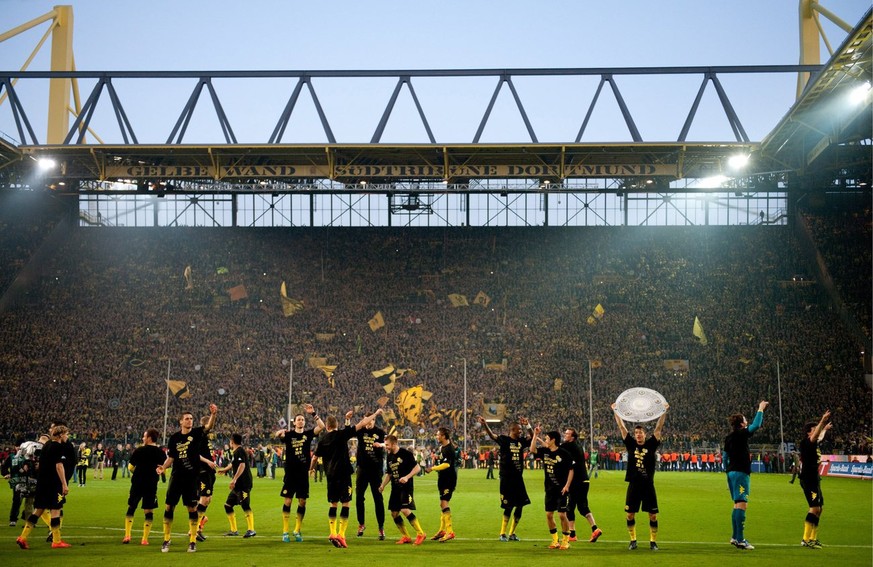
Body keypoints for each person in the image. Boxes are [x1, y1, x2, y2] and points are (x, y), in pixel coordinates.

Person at [313, 408, 383, 548]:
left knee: (333, 504)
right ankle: (341, 534)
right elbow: (362, 423)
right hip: (344, 474)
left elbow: (315, 456)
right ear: (336, 425)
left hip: (331, 476)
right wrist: (375, 414)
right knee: (346, 503)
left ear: (327, 426)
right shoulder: (342, 434)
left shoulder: (323, 439)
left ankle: (332, 532)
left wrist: (310, 469)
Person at [157, 403, 218, 553]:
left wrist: (213, 414)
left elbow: (208, 426)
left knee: (192, 508)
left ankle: (192, 541)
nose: (190, 420)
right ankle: (166, 539)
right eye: (187, 418)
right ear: (181, 421)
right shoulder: (175, 438)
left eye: (191, 418)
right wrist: (163, 467)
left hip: (191, 478)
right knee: (169, 506)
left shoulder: (197, 434)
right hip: (176, 476)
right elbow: (171, 457)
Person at [611, 401, 668, 551]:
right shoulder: (630, 444)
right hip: (634, 485)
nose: (638, 435)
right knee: (630, 514)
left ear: (644, 434)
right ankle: (633, 540)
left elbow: (659, 427)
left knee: (653, 515)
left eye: (640, 432)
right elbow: (622, 427)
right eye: (636, 433)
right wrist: (616, 411)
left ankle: (653, 542)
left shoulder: (651, 444)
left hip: (648, 485)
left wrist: (664, 411)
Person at [15, 424, 72, 550]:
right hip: (54, 484)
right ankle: (56, 541)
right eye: (66, 434)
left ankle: (22, 537)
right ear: (61, 435)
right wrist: (64, 483)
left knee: (38, 510)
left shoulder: (47, 445)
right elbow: (59, 466)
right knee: (56, 509)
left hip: (42, 483)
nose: (67, 436)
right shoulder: (58, 447)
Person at [275, 403, 324, 542]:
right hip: (290, 473)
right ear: (294, 422)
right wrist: (279, 432)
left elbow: (322, 427)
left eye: (302, 419)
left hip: (303, 474)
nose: (301, 421)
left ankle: (297, 530)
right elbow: (278, 434)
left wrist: (313, 413)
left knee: (302, 502)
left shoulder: (308, 434)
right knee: (288, 501)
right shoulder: (289, 434)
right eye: (299, 419)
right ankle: (285, 531)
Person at [478, 415, 532, 541]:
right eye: (519, 429)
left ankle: (512, 533)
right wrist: (485, 424)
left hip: (518, 478)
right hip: (507, 478)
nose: (521, 431)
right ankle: (502, 533)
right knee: (508, 506)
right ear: (512, 430)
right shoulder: (504, 440)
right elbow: (492, 436)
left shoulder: (521, 442)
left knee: (520, 505)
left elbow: (532, 436)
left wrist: (528, 425)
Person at [723, 400, 769, 550]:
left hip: (731, 472)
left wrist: (728, 471)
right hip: (741, 472)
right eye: (745, 420)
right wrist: (760, 409)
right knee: (742, 504)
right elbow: (756, 425)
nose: (747, 421)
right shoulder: (742, 434)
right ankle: (741, 539)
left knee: (737, 504)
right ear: (742, 424)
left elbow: (724, 457)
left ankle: (735, 537)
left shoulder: (728, 438)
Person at [529, 426, 574, 550]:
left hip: (561, 490)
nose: (546, 440)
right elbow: (532, 449)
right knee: (549, 514)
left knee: (561, 515)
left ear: (553, 440)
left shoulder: (564, 453)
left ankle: (566, 540)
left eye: (547, 438)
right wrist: (534, 435)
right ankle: (555, 540)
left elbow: (571, 470)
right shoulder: (545, 452)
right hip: (549, 489)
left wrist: (567, 486)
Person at [379, 435, 426, 545]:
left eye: (387, 445)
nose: (386, 447)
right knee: (394, 513)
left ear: (394, 444)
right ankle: (406, 536)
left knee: (405, 510)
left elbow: (417, 468)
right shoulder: (389, 456)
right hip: (395, 488)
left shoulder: (406, 454)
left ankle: (420, 533)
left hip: (406, 487)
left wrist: (407, 477)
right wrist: (382, 485)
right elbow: (389, 474)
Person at [123, 428, 166, 545]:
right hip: (151, 484)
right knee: (148, 511)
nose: (142, 438)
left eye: (144, 436)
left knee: (131, 507)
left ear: (149, 438)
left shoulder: (139, 450)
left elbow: (130, 468)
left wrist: (138, 473)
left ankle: (127, 535)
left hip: (137, 482)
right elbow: (163, 469)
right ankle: (144, 539)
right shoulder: (160, 453)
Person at [561, 428, 602, 543]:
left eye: (567, 434)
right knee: (580, 507)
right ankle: (591, 529)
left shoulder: (569, 446)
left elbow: (553, 448)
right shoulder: (577, 446)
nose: (565, 435)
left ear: (572, 437)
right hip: (584, 481)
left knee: (572, 507)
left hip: (577, 482)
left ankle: (574, 534)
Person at [799, 409, 832, 549]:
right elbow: (816, 436)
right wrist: (822, 421)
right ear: (808, 432)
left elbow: (819, 436)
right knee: (814, 508)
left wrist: (823, 428)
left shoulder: (813, 441)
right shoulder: (807, 442)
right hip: (809, 479)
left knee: (820, 508)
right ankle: (805, 539)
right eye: (814, 430)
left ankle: (813, 537)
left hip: (814, 479)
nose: (817, 432)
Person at [354, 411, 387, 540]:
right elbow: (349, 430)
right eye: (366, 421)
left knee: (378, 498)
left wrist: (381, 444)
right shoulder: (360, 431)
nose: (368, 423)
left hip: (375, 470)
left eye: (371, 421)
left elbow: (388, 443)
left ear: (374, 421)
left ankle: (381, 527)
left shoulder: (379, 432)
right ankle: (361, 524)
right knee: (359, 498)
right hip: (362, 469)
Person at [217, 433, 255, 538]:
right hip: (238, 485)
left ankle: (251, 529)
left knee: (245, 505)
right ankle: (234, 530)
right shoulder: (237, 452)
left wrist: (234, 479)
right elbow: (234, 464)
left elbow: (242, 465)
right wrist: (225, 469)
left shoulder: (240, 451)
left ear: (232, 441)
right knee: (228, 505)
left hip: (243, 484)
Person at [424, 427, 458, 542]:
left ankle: (450, 532)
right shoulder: (442, 447)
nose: (437, 436)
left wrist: (432, 468)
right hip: (443, 479)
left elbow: (447, 465)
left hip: (449, 480)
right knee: (442, 504)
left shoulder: (449, 449)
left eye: (438, 435)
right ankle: (442, 530)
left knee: (444, 503)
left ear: (444, 436)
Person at [195, 415, 218, 542]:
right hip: (202, 471)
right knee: (203, 499)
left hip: (209, 472)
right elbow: (195, 454)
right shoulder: (199, 437)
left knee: (208, 499)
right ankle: (194, 528)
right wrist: (208, 462)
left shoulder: (206, 439)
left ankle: (200, 526)